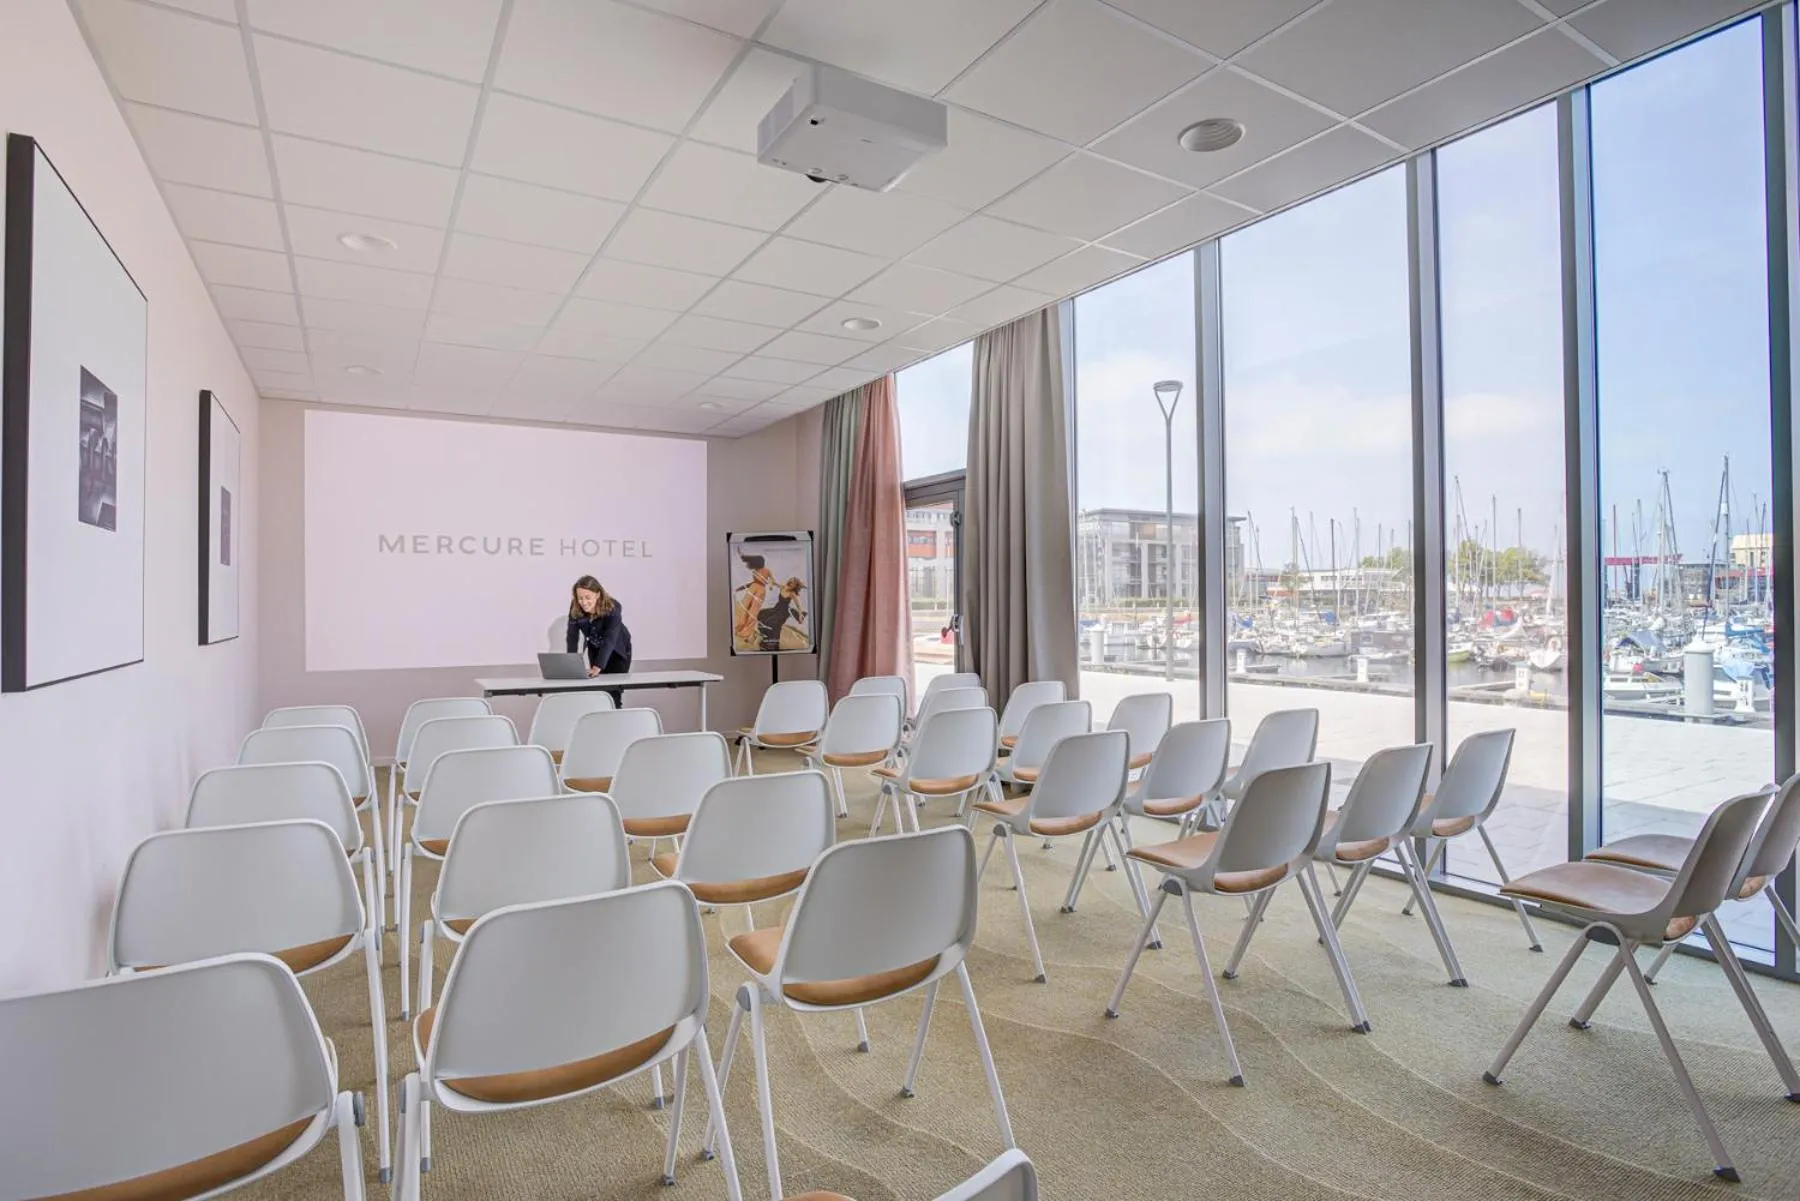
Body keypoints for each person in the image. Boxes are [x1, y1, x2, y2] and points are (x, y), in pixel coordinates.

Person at [565, 575, 632, 708]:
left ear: (597, 594)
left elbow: (610, 639)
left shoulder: (613, 607)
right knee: (598, 692)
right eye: (580, 598)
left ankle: (615, 722)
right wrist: (570, 664)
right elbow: (572, 637)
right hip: (595, 647)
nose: (583, 602)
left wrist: (597, 667)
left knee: (613, 694)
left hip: (617, 651)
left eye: (587, 597)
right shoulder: (575, 607)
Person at [733, 553, 777, 649]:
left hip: (760, 591)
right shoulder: (755, 571)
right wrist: (741, 588)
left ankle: (746, 633)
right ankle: (739, 628)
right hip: (752, 588)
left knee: (753, 612)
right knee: (744, 608)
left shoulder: (767, 571)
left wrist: (771, 585)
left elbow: (772, 580)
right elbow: (754, 582)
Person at [755, 577, 807, 652]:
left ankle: (772, 645)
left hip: (783, 613)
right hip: (776, 609)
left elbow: (798, 605)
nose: (790, 583)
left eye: (793, 583)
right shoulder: (783, 587)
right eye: (790, 582)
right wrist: (770, 582)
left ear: (794, 586)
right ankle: (765, 640)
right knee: (762, 615)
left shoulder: (792, 594)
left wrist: (800, 615)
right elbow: (775, 584)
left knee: (773, 624)